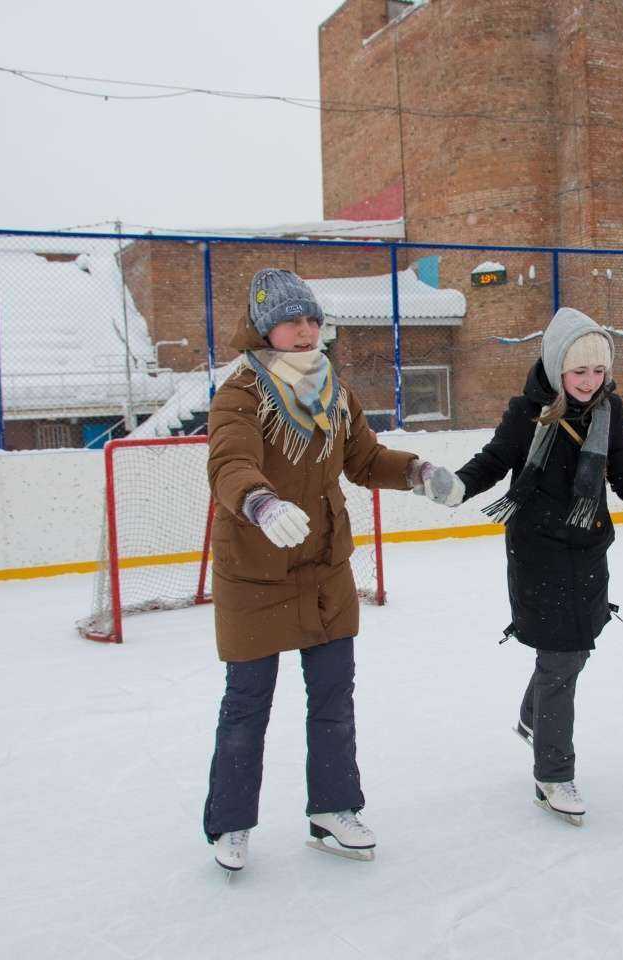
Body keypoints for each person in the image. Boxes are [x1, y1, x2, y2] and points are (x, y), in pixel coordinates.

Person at [202, 268, 458, 870]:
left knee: (333, 698)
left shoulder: (333, 390)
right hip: (254, 571)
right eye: (292, 320)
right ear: (266, 328)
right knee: (248, 703)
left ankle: (334, 808)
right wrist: (261, 503)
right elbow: (229, 462)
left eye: (313, 319)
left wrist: (418, 472)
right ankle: (230, 823)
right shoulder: (242, 391)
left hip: (323, 569)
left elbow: (363, 458)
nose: (306, 330)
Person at [418, 307, 623, 825]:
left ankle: (531, 716)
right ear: (557, 367)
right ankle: (553, 775)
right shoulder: (527, 411)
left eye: (598, 371)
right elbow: (493, 460)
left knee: (575, 649)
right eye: (579, 371)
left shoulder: (610, 411)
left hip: (588, 545)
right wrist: (459, 487)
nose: (590, 381)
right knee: (561, 656)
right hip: (537, 549)